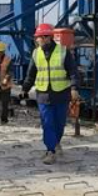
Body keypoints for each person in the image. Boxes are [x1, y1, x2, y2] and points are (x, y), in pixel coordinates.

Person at [20, 23, 80, 165]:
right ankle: (50, 151)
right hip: (43, 95)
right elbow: (31, 74)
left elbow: (73, 72)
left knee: (59, 124)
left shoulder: (63, 52)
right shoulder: (36, 53)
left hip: (61, 94)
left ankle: (56, 143)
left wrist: (74, 88)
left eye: (39, 37)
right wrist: (24, 89)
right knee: (47, 123)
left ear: (47, 37)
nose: (37, 40)